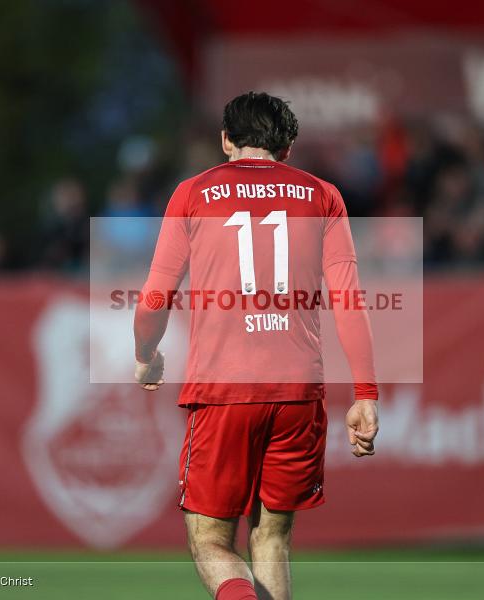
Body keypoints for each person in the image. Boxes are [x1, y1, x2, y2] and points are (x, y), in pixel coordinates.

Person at [133, 92, 379, 600]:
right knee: (271, 538)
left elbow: (155, 296)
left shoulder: (193, 193)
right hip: (298, 393)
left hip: (223, 390)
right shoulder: (323, 195)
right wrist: (366, 393)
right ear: (287, 147)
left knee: (209, 541)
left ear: (226, 140)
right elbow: (349, 302)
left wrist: (145, 354)